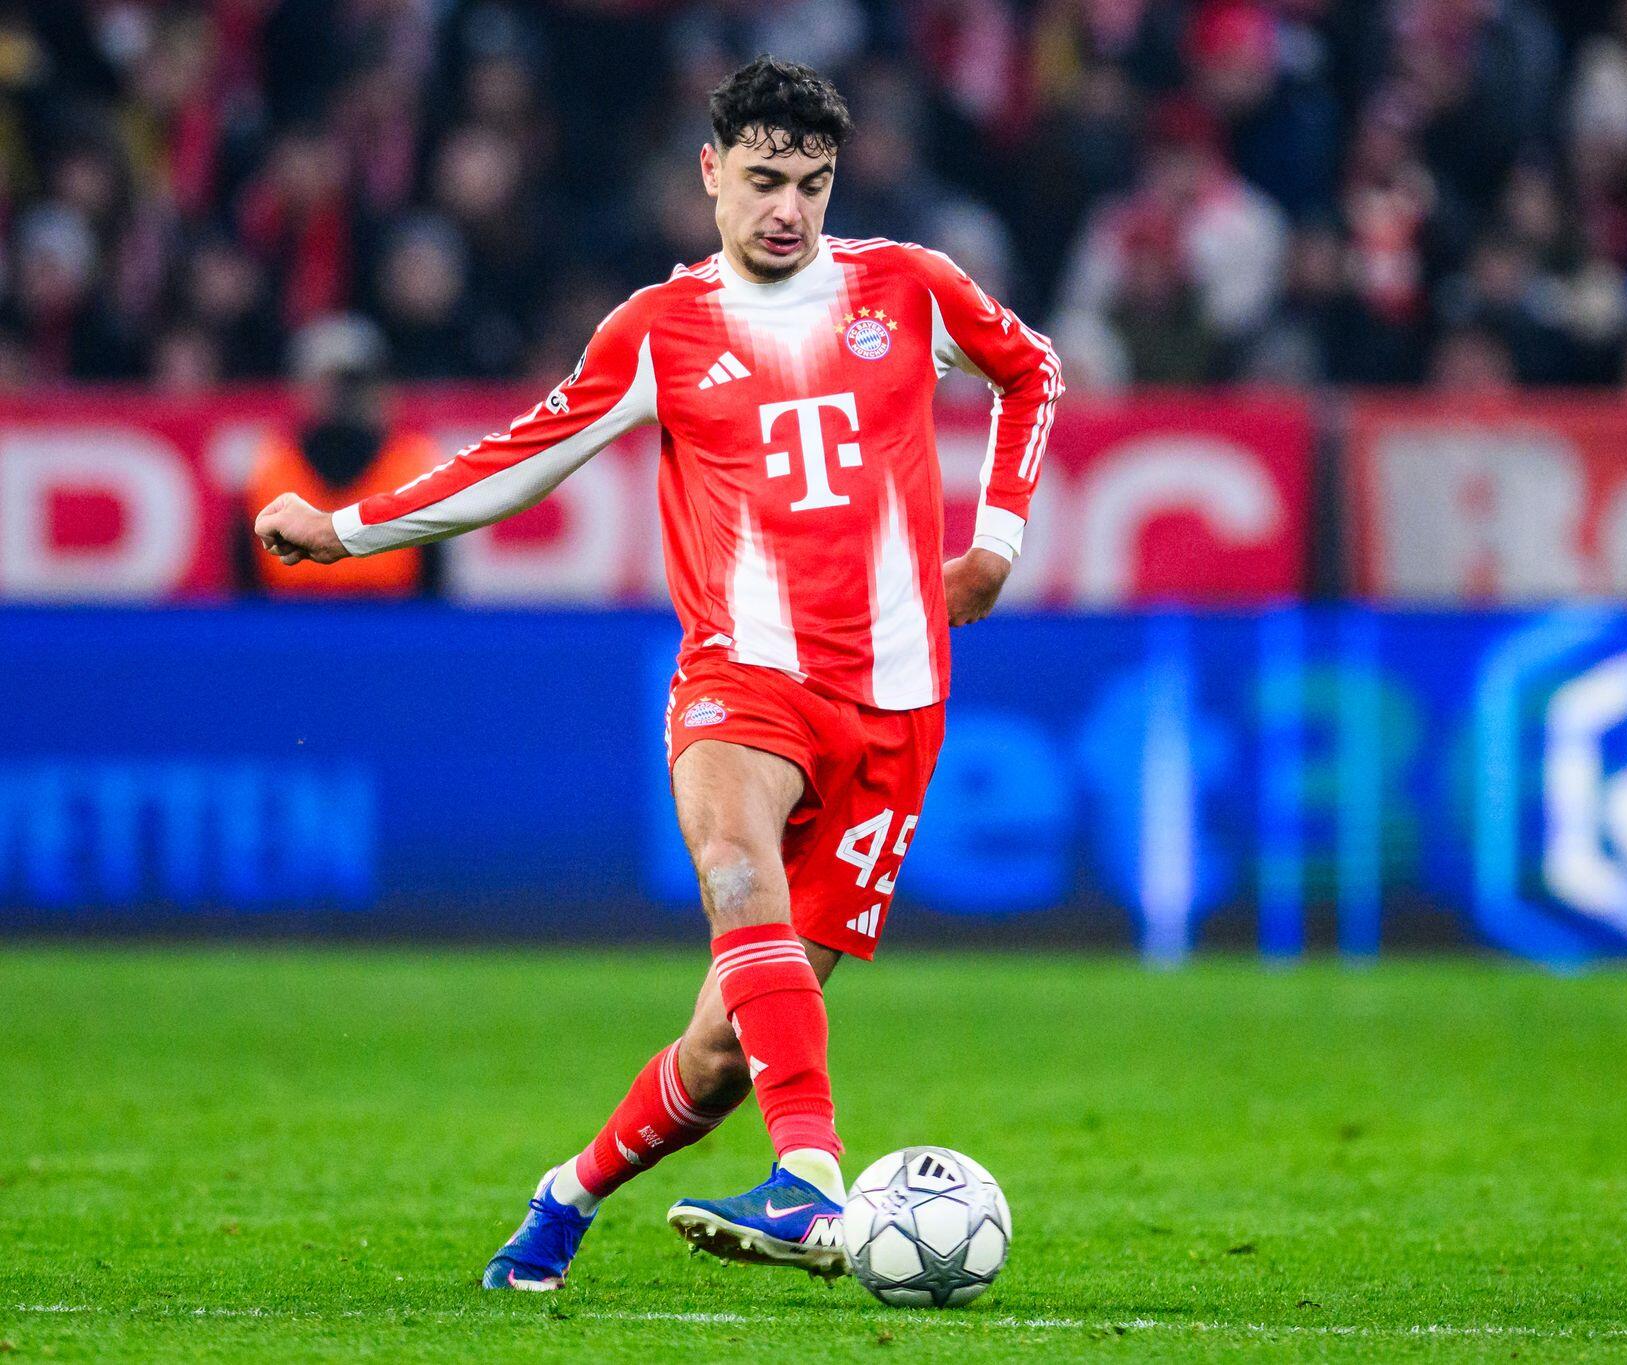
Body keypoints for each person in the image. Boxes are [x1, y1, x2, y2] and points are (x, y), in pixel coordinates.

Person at [250, 57, 1061, 1289]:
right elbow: (518, 459)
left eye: (811, 184)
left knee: (728, 1048)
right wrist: (347, 530)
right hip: (743, 678)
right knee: (733, 865)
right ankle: (810, 1179)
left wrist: (994, 545)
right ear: (710, 173)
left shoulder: (907, 287)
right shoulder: (658, 330)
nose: (786, 208)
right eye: (763, 180)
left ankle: (564, 1197)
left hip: (898, 704)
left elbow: (1031, 369)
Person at [242, 315, 439, 598]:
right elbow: (245, 602)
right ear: (301, 388)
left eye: (355, 383)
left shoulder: (413, 468)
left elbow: (434, 600)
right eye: (330, 383)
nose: (344, 398)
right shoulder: (269, 472)